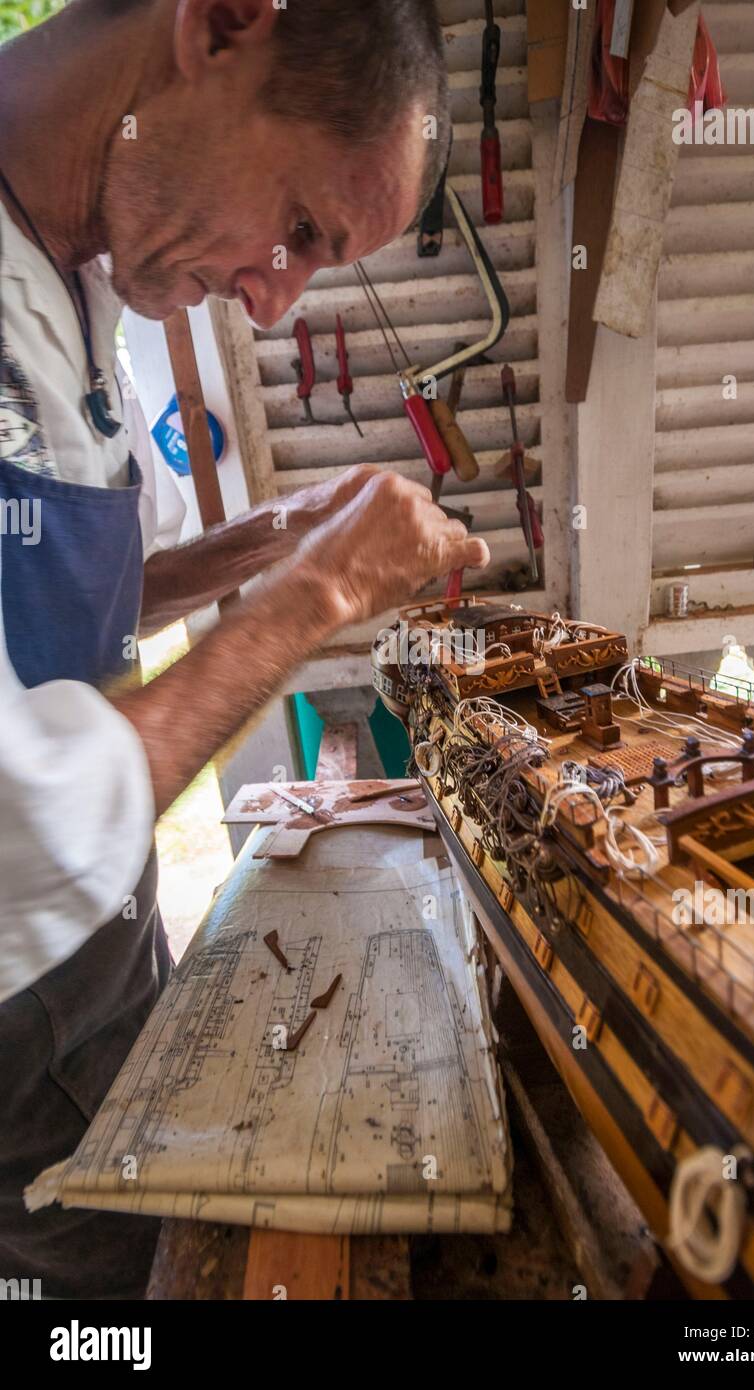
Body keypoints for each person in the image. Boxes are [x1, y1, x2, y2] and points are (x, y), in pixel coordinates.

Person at [0, 0, 489, 1298]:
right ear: (218, 26)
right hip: (13, 1025)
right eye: (303, 230)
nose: (274, 302)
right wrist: (319, 593)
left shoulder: (70, 271)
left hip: (102, 956)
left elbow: (59, 610)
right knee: (124, 1299)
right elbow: (19, 811)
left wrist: (262, 543)